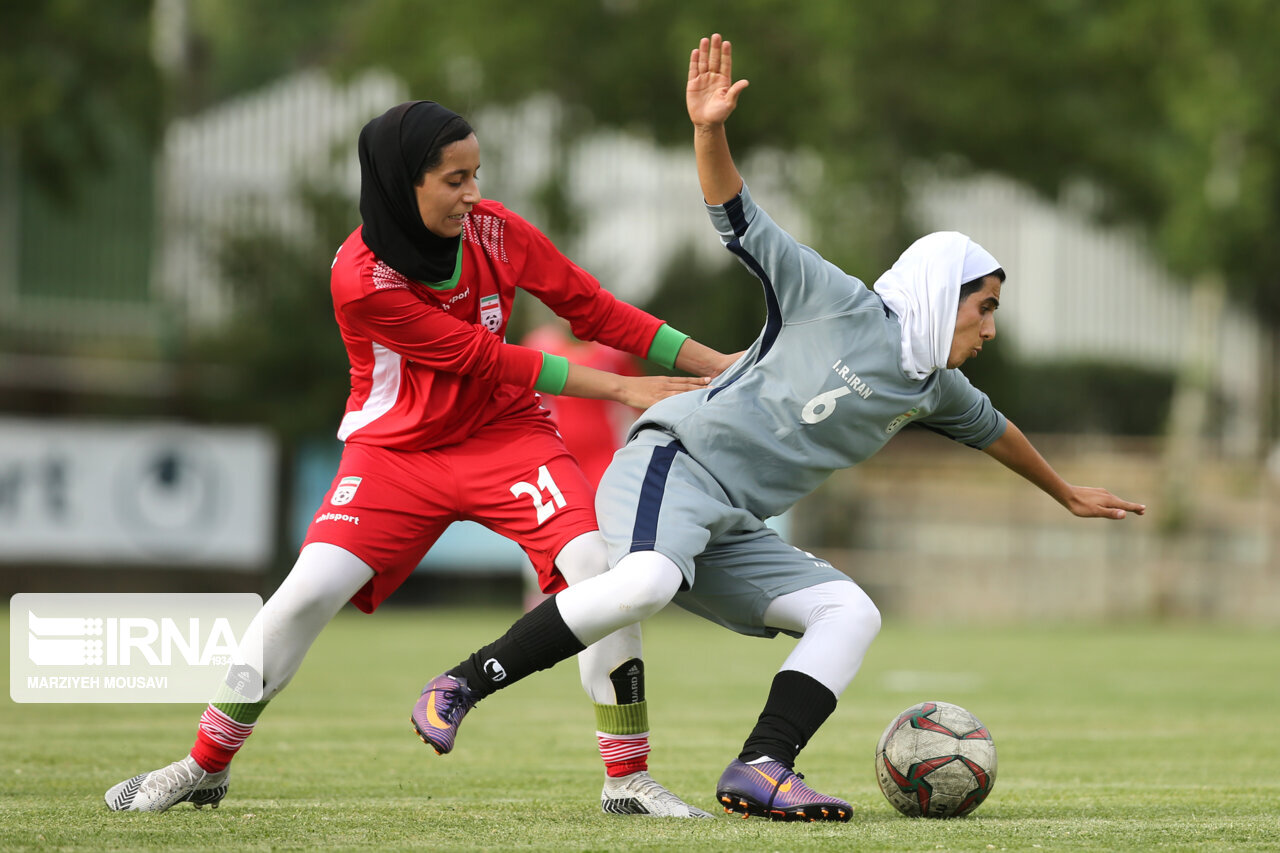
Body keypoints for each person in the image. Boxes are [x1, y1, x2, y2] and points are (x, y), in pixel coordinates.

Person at [409, 34, 1147, 823]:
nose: (991, 326)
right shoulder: (833, 297)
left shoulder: (937, 389)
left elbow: (999, 432)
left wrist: (1065, 491)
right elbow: (736, 213)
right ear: (940, 293)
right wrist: (708, 128)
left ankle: (764, 764)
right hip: (674, 462)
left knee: (851, 610)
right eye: (985, 305)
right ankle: (461, 681)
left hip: (732, 523)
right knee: (646, 584)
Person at [105, 99, 736, 817]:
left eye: (477, 175)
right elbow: (484, 357)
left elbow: (594, 308)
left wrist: (721, 363)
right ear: (402, 183)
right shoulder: (361, 277)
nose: (474, 195)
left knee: (599, 572)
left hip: (508, 437)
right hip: (395, 455)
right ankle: (204, 764)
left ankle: (626, 779)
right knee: (308, 591)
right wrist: (625, 383)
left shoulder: (496, 230)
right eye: (454, 179)